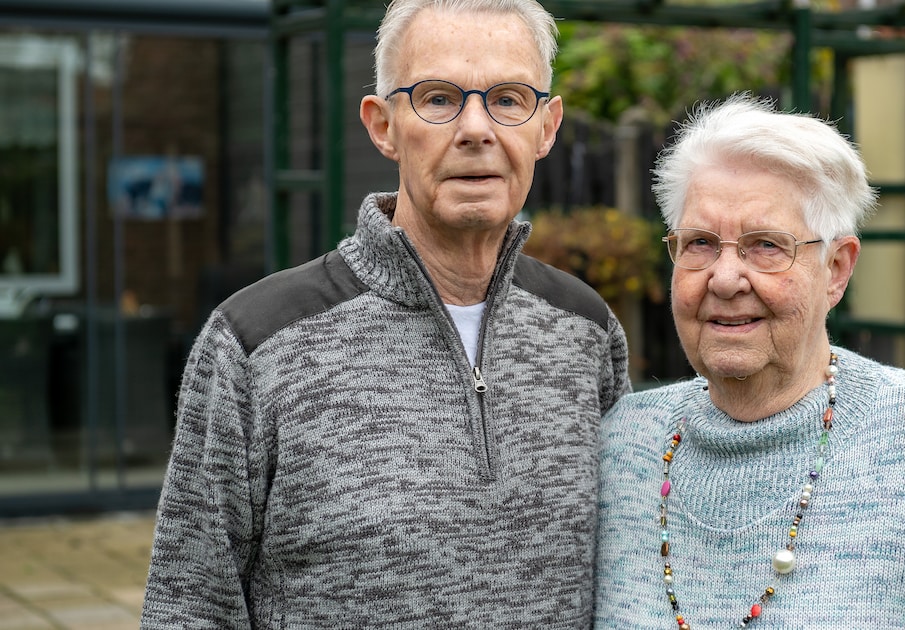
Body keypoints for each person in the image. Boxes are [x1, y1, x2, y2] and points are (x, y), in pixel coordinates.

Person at [141, 0, 631, 626]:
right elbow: (189, 606)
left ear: (546, 126)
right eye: (437, 98)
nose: (477, 128)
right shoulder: (256, 342)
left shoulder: (585, 330)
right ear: (383, 126)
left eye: (508, 99)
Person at [594, 94, 905, 628]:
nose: (724, 279)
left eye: (766, 245)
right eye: (699, 243)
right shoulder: (623, 444)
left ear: (836, 269)